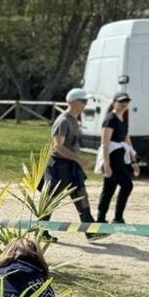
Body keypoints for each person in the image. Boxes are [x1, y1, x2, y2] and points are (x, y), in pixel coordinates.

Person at [42, 88, 101, 241]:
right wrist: (79, 159)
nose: (85, 105)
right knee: (51, 200)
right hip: (59, 166)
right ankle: (41, 233)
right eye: (83, 101)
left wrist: (76, 160)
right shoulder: (63, 121)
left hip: (71, 166)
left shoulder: (75, 120)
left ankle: (91, 231)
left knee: (81, 196)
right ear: (74, 102)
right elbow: (57, 146)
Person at [95, 91, 139, 224]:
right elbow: (105, 143)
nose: (124, 104)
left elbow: (126, 139)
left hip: (121, 155)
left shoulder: (124, 117)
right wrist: (107, 165)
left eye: (126, 102)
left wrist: (133, 161)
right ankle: (116, 217)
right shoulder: (110, 119)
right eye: (121, 102)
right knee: (127, 185)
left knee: (109, 188)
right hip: (113, 156)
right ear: (114, 103)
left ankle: (102, 218)